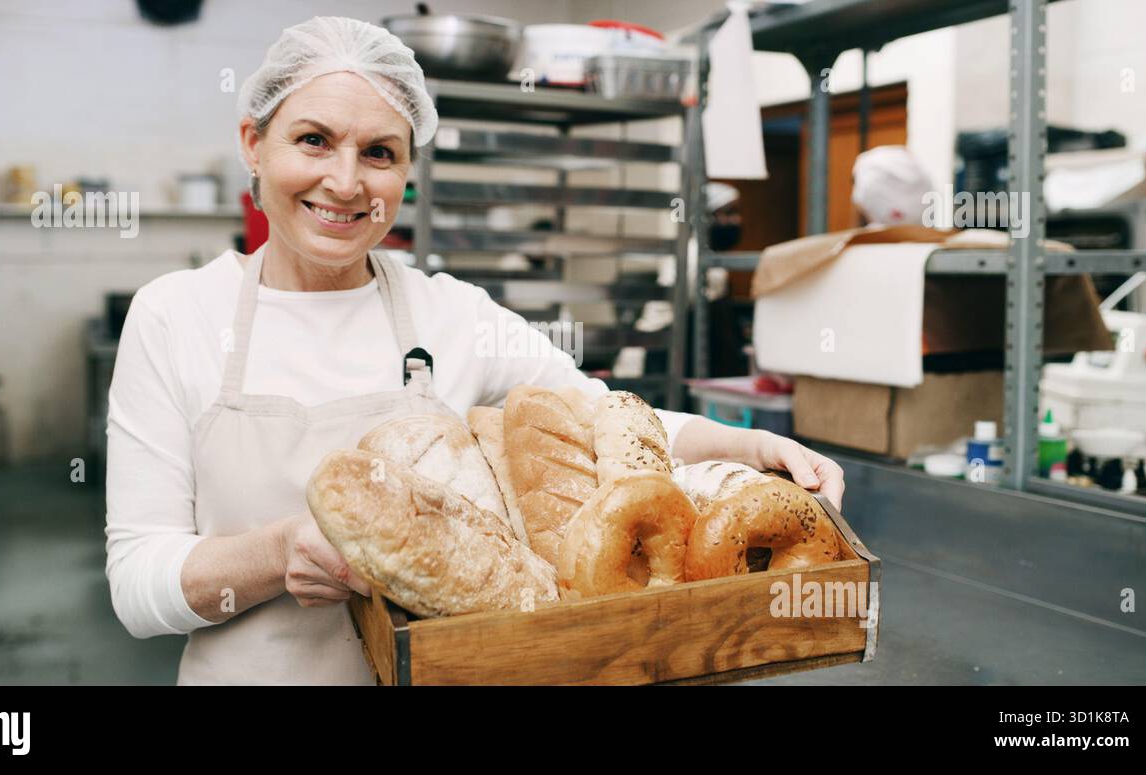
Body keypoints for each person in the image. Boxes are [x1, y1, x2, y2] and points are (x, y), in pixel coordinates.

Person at [103, 16, 845, 685]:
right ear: (252, 145)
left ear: (406, 172)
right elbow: (137, 585)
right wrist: (275, 554)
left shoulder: (448, 311)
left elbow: (601, 413)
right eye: (314, 140)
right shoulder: (176, 317)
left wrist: (745, 446)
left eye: (381, 152)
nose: (346, 180)